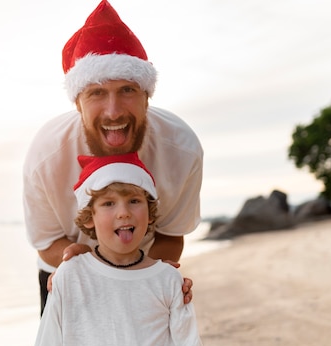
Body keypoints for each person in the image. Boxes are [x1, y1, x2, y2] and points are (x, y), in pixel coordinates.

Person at [23, 0, 203, 315]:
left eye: (128, 90)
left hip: (145, 272)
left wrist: (138, 274)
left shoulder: (182, 148)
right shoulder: (45, 155)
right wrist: (84, 263)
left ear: (147, 97)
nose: (114, 110)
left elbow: (171, 236)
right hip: (68, 278)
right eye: (96, 93)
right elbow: (47, 242)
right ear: (77, 104)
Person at [32, 152, 212, 346]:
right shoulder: (71, 277)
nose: (123, 213)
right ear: (89, 217)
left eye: (134, 200)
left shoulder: (168, 279)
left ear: (150, 215)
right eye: (108, 203)